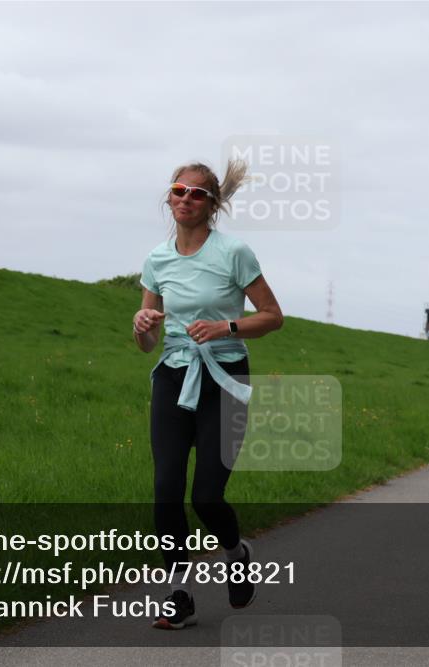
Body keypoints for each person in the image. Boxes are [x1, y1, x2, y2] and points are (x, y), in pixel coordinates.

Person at [133, 159, 284, 629]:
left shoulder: (234, 252)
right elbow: (147, 341)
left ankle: (237, 552)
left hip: (225, 378)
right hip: (173, 377)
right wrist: (142, 326)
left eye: (196, 193)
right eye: (178, 191)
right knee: (165, 490)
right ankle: (179, 593)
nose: (185, 199)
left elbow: (273, 315)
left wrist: (226, 326)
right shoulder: (157, 260)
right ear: (169, 197)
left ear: (212, 203)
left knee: (206, 496)